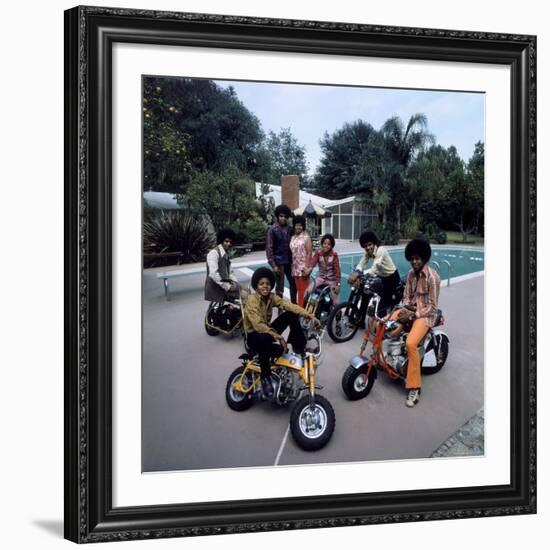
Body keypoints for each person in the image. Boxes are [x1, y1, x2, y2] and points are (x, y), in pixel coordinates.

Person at [243, 267, 320, 399]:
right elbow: (257, 325)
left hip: (266, 331)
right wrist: (279, 337)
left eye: (267, 284)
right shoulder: (251, 300)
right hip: (254, 336)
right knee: (266, 341)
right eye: (262, 284)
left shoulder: (271, 297)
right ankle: (265, 377)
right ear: (256, 285)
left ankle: (299, 348)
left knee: (291, 314)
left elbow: (289, 305)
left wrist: (310, 316)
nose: (265, 287)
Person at [389, 238, 441, 408]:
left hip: (425, 316)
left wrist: (412, 316)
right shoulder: (411, 274)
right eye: (412, 258)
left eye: (418, 258)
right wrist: (405, 309)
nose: (414, 261)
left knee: (411, 343)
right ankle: (383, 359)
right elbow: (406, 296)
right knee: (386, 324)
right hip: (411, 310)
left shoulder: (432, 277)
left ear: (424, 258)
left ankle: (414, 387)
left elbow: (432, 307)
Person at [348, 230, 401, 320]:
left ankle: (383, 325)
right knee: (365, 292)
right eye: (365, 246)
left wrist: (358, 275)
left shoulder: (381, 250)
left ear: (374, 243)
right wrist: (357, 272)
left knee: (385, 304)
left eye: (369, 244)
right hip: (381, 277)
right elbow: (361, 263)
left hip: (392, 277)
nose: (368, 248)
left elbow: (374, 268)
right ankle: (360, 321)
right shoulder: (367, 253)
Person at [266, 204, 297, 303]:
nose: (283, 218)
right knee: (279, 288)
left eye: (285, 216)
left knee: (293, 284)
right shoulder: (272, 230)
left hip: (290, 262)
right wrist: (273, 265)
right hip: (278, 263)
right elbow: (269, 248)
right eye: (281, 216)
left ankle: (293, 305)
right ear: (277, 216)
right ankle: (280, 309)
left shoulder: (290, 229)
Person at [204, 227, 240, 303]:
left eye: (230, 242)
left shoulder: (225, 254)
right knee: (245, 295)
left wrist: (235, 283)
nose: (229, 244)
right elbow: (213, 274)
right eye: (226, 241)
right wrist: (228, 287)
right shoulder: (214, 253)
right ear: (221, 240)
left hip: (223, 287)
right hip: (216, 289)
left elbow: (230, 272)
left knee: (246, 290)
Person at [305, 234, 341, 304]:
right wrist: (309, 268)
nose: (326, 246)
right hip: (320, 278)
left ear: (331, 246)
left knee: (336, 302)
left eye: (329, 244)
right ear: (322, 244)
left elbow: (337, 271)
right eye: (324, 243)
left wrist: (338, 285)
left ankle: (336, 313)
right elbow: (313, 261)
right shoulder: (318, 253)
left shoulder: (334, 255)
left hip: (332, 280)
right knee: (307, 292)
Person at [289, 215, 312, 307]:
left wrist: (306, 268)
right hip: (295, 268)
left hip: (303, 269)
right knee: (299, 290)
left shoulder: (306, 238)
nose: (298, 227)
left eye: (300, 225)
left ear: (303, 226)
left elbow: (309, 253)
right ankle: (300, 310)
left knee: (303, 291)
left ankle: (301, 312)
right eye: (296, 225)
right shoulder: (293, 237)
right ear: (294, 225)